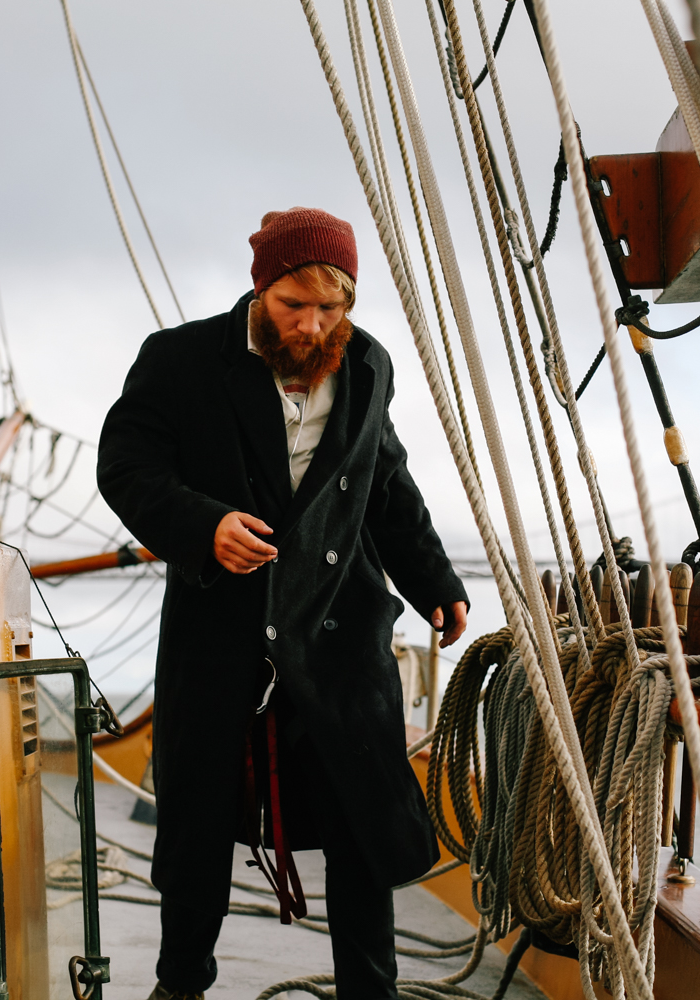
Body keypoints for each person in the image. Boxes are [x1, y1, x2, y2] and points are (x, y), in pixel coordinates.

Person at [97, 207, 469, 1000]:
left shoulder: (367, 365)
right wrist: (204, 527)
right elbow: (125, 466)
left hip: (338, 633)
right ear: (259, 287)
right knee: (196, 828)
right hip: (220, 630)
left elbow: (386, 485)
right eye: (292, 305)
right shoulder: (180, 360)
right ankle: (181, 984)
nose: (310, 326)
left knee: (361, 826)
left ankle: (370, 993)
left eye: (330, 308)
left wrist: (435, 582)